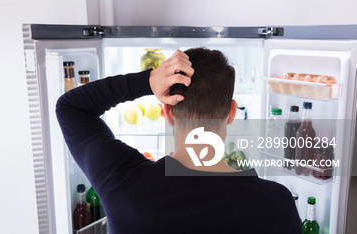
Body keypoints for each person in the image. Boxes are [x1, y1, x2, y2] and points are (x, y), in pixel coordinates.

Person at [56, 48, 302, 233]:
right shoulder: (276, 203)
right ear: (232, 112)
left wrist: (148, 81)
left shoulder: (124, 185)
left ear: (167, 113)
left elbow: (71, 107)